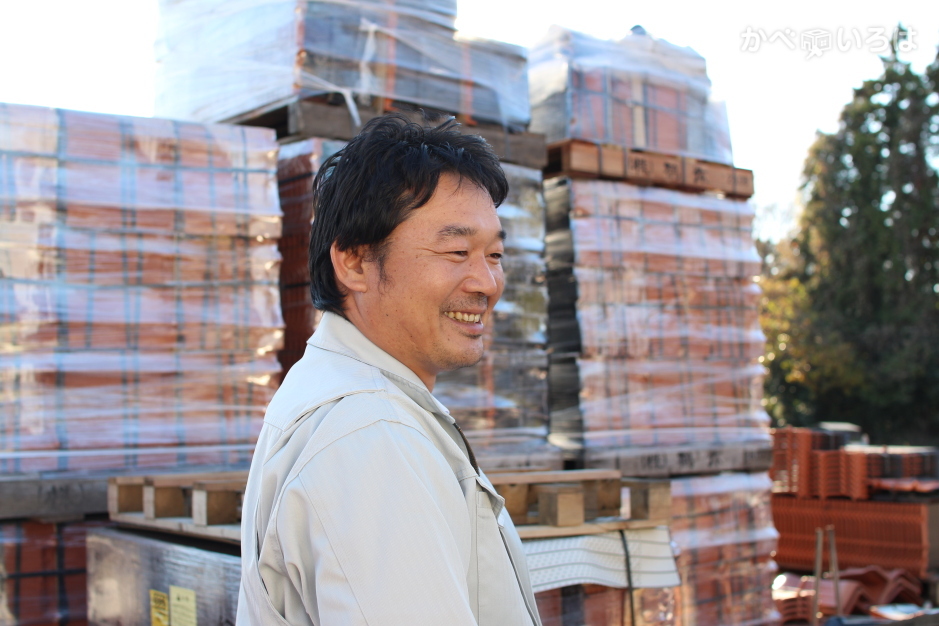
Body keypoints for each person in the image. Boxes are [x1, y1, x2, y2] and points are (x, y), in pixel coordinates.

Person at [237, 114, 542, 625]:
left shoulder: (353, 402)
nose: (487, 282)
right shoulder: (369, 437)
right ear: (355, 264)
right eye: (457, 251)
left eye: (495, 254)